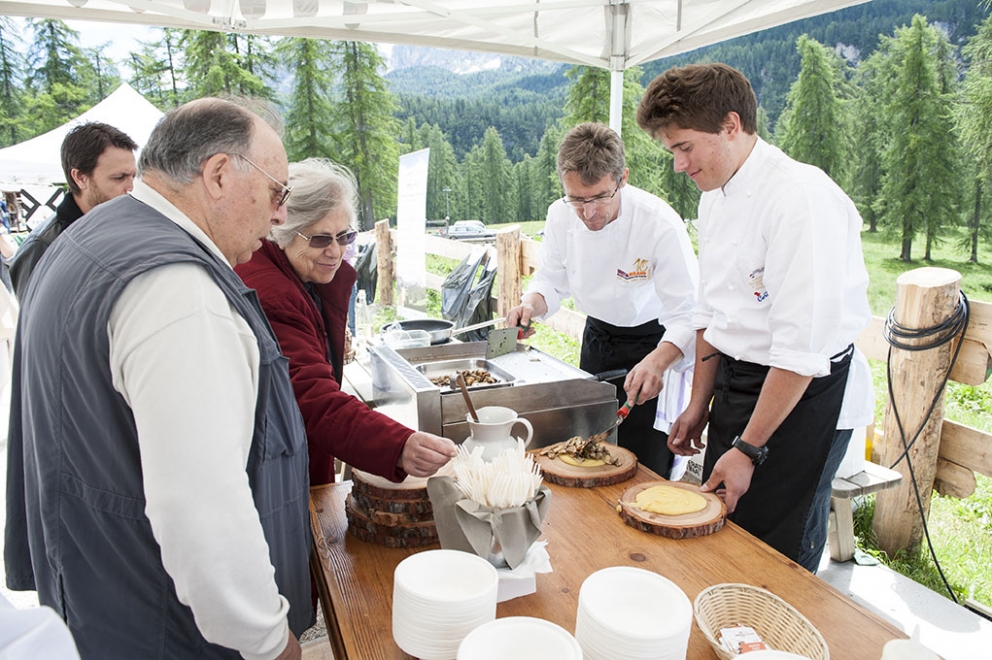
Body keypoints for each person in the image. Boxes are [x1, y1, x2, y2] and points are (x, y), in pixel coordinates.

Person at [5, 97, 312, 659]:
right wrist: (269, 640)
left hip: (98, 597)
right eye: (277, 192)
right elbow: (202, 510)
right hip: (167, 627)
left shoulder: (85, 238)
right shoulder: (178, 288)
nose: (278, 217)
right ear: (218, 175)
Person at [636, 63, 872, 572]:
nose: (678, 165)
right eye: (671, 151)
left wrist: (748, 449)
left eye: (684, 147)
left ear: (730, 124)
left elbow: (800, 350)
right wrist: (699, 404)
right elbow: (710, 312)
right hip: (740, 382)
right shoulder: (715, 196)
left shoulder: (800, 201)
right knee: (727, 526)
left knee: (775, 549)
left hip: (805, 392)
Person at [236, 158, 457, 486]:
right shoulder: (273, 293)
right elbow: (313, 399)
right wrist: (399, 445)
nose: (336, 251)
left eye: (344, 236)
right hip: (277, 474)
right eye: (320, 239)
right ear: (280, 230)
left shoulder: (290, 274)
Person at [506, 123, 698, 478]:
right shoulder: (560, 214)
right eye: (577, 199)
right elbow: (550, 279)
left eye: (599, 197)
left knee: (643, 466)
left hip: (654, 348)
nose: (588, 212)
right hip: (597, 343)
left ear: (622, 178)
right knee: (589, 452)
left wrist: (657, 363)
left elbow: (689, 314)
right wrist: (531, 304)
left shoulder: (660, 225)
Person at [8, 122, 137, 298]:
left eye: (133, 176)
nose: (131, 187)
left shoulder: (127, 227)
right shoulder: (43, 246)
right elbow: (34, 321)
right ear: (80, 178)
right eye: (119, 178)